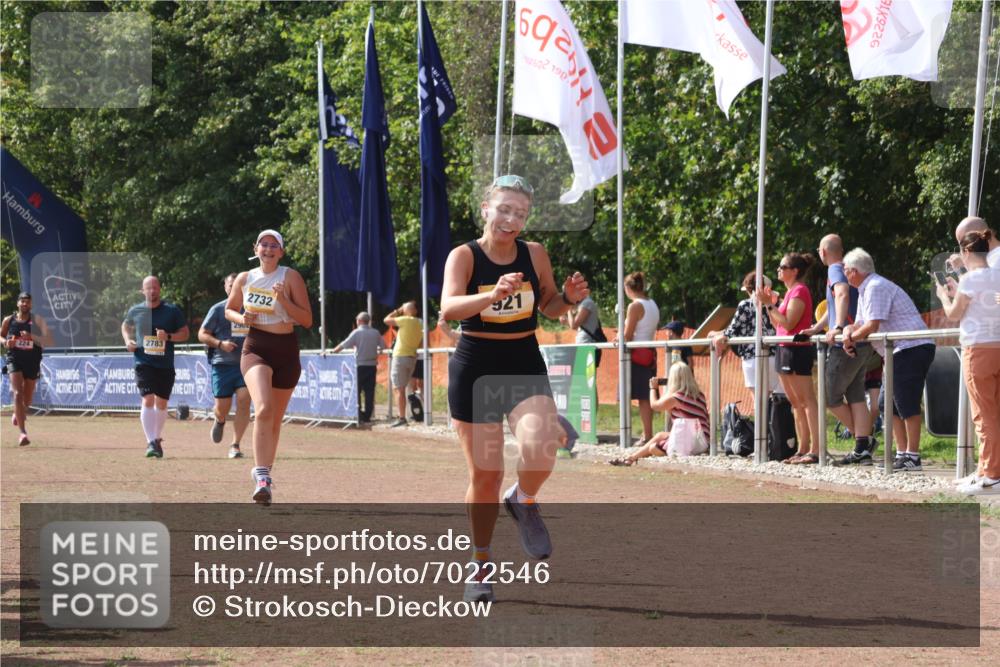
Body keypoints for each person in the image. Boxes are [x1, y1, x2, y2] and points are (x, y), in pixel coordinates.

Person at [440, 174, 588, 603]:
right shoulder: (464, 256)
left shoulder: (534, 253)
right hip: (476, 366)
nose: (511, 219)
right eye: (504, 209)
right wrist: (491, 296)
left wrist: (567, 298)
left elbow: (549, 305)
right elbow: (449, 307)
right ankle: (480, 562)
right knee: (486, 476)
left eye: (520, 213)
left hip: (522, 361)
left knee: (542, 446)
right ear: (485, 208)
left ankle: (523, 499)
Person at [226, 230, 312, 504]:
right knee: (263, 408)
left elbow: (307, 320)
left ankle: (265, 476)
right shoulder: (245, 278)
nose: (268, 249)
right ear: (256, 248)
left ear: (281, 252)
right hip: (256, 347)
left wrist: (283, 300)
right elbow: (230, 309)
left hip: (286, 349)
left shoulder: (290, 277)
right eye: (264, 244)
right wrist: (242, 318)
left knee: (274, 420)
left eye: (274, 245)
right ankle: (262, 477)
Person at [841, 248, 935, 472]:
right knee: (886, 403)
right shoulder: (865, 289)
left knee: (906, 402)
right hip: (896, 351)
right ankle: (902, 454)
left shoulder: (875, 286)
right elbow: (860, 324)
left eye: (845, 270)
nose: (844, 274)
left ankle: (913, 456)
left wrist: (851, 339)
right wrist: (847, 332)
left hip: (910, 348)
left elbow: (872, 325)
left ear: (854, 271)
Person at [801, 235, 877, 466]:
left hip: (845, 343)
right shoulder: (847, 268)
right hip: (861, 340)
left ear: (823, 251)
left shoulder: (835, 269)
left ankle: (864, 441)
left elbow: (842, 294)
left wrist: (838, 327)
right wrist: (817, 327)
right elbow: (834, 303)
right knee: (855, 396)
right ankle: (862, 447)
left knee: (829, 397)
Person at [936, 230, 1000, 495]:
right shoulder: (996, 274)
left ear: (965, 252)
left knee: (983, 415)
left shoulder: (970, 279)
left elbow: (953, 314)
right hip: (997, 345)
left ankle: (992, 475)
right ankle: (986, 470)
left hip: (977, 348)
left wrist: (943, 295)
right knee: (994, 412)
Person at [758, 253, 820, 464]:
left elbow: (789, 323)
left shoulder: (800, 291)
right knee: (795, 403)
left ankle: (815, 450)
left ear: (794, 271)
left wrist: (769, 305)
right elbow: (778, 324)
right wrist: (770, 305)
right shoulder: (789, 293)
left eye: (782, 267)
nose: (778, 270)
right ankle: (803, 448)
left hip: (797, 350)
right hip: (784, 348)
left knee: (807, 400)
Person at [121, 276, 189, 458]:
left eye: (155, 287)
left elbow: (185, 333)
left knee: (162, 403)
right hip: (143, 361)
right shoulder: (135, 310)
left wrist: (168, 337)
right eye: (148, 288)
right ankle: (151, 441)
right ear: (142, 291)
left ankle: (156, 439)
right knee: (148, 399)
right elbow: (125, 326)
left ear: (160, 289)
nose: (152, 291)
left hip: (165, 364)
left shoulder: (172, 311)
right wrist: (128, 341)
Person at [609, 363, 709, 465]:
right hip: (702, 440)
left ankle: (632, 458)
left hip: (689, 442)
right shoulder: (699, 395)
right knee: (660, 435)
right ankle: (631, 458)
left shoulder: (676, 397)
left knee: (653, 448)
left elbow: (655, 406)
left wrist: (653, 388)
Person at [198, 273, 251, 459]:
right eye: (231, 285)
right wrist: (221, 344)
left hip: (246, 365)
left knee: (244, 400)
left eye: (238, 285)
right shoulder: (218, 309)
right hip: (222, 365)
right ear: (226, 288)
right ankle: (220, 421)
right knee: (222, 408)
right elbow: (202, 334)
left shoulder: (252, 309)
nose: (235, 288)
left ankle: (235, 445)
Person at [710, 272, 782, 400]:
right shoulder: (776, 305)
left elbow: (732, 330)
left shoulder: (745, 305)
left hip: (752, 358)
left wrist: (716, 335)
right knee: (770, 402)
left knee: (758, 402)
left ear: (749, 289)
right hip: (775, 357)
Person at [615, 271, 660, 445]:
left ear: (628, 288)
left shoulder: (634, 306)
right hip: (649, 352)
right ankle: (648, 433)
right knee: (646, 395)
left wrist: (619, 336)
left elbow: (627, 335)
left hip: (635, 355)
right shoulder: (652, 303)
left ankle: (641, 435)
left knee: (634, 396)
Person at [2, 292, 52, 446]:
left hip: (32, 361)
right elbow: (1, 336)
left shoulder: (38, 320)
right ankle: (23, 433)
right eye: (22, 301)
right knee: (17, 393)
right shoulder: (8, 320)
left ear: (31, 305)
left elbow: (48, 340)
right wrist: (5, 343)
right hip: (14, 359)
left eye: (27, 302)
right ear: (18, 303)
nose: (25, 304)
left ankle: (18, 413)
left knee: (28, 400)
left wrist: (32, 337)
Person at [332, 311, 384, 423]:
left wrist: (332, 352)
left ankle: (359, 415)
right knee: (369, 392)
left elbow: (344, 344)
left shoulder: (356, 332)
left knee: (357, 391)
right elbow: (383, 346)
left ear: (359, 321)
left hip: (359, 366)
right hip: (372, 366)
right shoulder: (376, 333)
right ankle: (368, 416)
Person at [383, 302, 422, 427]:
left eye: (405, 308)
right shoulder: (420, 322)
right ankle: (404, 415)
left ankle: (402, 418)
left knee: (398, 389)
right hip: (411, 357)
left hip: (400, 356)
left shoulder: (405, 320)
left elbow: (386, 320)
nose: (403, 310)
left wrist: (397, 310)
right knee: (403, 388)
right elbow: (421, 342)